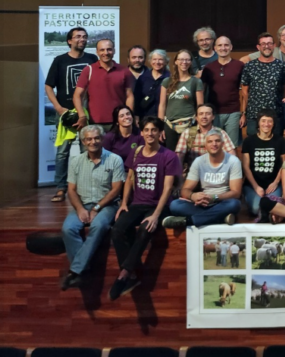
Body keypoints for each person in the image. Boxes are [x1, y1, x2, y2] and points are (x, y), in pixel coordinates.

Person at [110, 117, 181, 300]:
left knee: (145, 229)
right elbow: (130, 178)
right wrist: (124, 203)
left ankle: (124, 274)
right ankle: (132, 274)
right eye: (146, 130)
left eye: (154, 130)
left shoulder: (169, 156)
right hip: (137, 203)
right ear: (141, 133)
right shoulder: (136, 153)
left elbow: (168, 188)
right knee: (117, 228)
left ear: (159, 133)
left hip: (159, 205)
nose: (150, 133)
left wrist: (156, 215)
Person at [59, 125, 125, 290]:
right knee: (68, 228)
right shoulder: (76, 161)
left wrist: (96, 207)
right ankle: (83, 270)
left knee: (99, 225)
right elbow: (71, 191)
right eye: (88, 139)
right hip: (83, 204)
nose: (93, 142)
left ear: (102, 139)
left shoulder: (115, 159)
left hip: (107, 205)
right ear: (83, 141)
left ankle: (75, 272)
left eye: (96, 138)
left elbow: (116, 189)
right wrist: (80, 209)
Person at [46, 27, 98, 202]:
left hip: (87, 113)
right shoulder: (59, 61)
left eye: (84, 37)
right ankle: (61, 189)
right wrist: (59, 108)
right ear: (69, 41)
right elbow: (48, 86)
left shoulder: (92, 59)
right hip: (66, 115)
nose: (81, 39)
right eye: (77, 37)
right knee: (62, 153)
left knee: (87, 151)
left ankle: (86, 188)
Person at [164, 132, 243, 228]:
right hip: (202, 203)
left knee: (234, 204)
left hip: (222, 202)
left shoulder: (233, 161)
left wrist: (214, 197)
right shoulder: (199, 161)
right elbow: (185, 190)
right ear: (205, 146)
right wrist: (193, 196)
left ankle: (190, 220)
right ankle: (220, 217)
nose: (214, 144)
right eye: (210, 141)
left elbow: (236, 193)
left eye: (217, 141)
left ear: (222, 144)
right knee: (175, 205)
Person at [73, 39, 132, 130]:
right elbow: (77, 95)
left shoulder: (124, 71)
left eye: (109, 49)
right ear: (97, 52)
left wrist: (129, 117)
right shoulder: (88, 70)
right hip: (94, 123)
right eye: (102, 50)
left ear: (114, 51)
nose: (106, 52)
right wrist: (82, 115)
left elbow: (129, 96)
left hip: (118, 122)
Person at [240, 110, 285, 218]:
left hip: (273, 184)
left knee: (274, 206)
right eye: (263, 121)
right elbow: (246, 167)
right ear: (258, 123)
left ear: (273, 124)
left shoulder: (280, 140)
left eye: (269, 121)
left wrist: (275, 182)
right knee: (256, 208)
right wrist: (256, 187)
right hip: (253, 185)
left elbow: (284, 165)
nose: (266, 124)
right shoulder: (249, 141)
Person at [241, 33, 285, 138]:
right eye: (263, 44)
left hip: (275, 115)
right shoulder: (249, 66)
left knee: (275, 148)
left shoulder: (282, 66)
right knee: (253, 147)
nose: (266, 46)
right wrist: (244, 113)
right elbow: (244, 91)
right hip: (254, 115)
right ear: (258, 47)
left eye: (269, 43)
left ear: (274, 46)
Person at [201, 36, 244, 150]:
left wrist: (243, 113)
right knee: (214, 145)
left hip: (233, 112)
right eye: (220, 45)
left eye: (226, 45)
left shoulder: (239, 65)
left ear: (231, 47)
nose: (223, 48)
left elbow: (245, 91)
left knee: (231, 146)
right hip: (213, 113)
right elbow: (202, 90)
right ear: (215, 48)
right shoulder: (209, 68)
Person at [159, 49, 204, 149]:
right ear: (176, 61)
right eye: (181, 59)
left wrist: (200, 125)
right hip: (170, 125)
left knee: (188, 156)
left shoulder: (196, 82)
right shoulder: (167, 81)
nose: (184, 62)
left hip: (189, 124)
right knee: (171, 155)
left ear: (191, 62)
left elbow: (200, 106)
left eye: (187, 60)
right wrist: (160, 126)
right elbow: (162, 105)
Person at [175, 104, 237, 169]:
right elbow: (179, 156)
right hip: (194, 174)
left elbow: (231, 155)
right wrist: (180, 177)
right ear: (196, 117)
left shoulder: (221, 133)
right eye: (201, 114)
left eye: (208, 114)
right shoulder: (187, 133)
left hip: (217, 173)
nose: (204, 116)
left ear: (213, 117)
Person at [134, 49, 170, 119]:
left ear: (166, 62)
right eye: (154, 59)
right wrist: (136, 118)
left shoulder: (170, 79)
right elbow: (137, 100)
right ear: (150, 61)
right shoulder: (143, 78)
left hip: (165, 118)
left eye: (160, 59)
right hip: (145, 118)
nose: (157, 62)